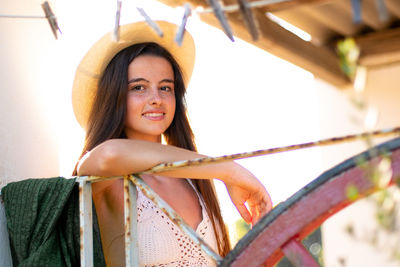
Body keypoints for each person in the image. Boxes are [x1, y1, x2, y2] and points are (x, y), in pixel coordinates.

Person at [72, 20, 272, 266]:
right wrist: (230, 172)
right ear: (114, 97)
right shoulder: (106, 175)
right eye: (139, 87)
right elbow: (109, 154)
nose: (156, 98)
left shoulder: (194, 179)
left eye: (165, 87)